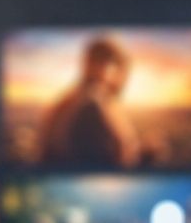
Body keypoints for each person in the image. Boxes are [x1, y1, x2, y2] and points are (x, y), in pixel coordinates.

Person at [37, 37, 141, 166]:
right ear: (105, 67)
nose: (125, 81)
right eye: (123, 71)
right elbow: (101, 165)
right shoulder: (92, 107)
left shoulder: (72, 99)